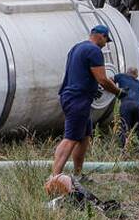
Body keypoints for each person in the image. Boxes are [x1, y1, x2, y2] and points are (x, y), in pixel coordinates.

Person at [49, 25, 125, 185]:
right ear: (101, 36)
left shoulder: (77, 48)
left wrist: (92, 87)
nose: (105, 44)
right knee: (71, 138)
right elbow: (103, 79)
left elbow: (81, 74)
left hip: (73, 96)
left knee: (84, 136)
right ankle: (54, 179)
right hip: (78, 98)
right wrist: (119, 92)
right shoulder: (94, 51)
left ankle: (77, 175)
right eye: (106, 40)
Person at [115, 66, 139, 153]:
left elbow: (109, 80)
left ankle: (123, 149)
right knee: (137, 128)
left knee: (124, 127)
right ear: (136, 75)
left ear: (127, 72)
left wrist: (117, 91)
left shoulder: (121, 76)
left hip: (127, 104)